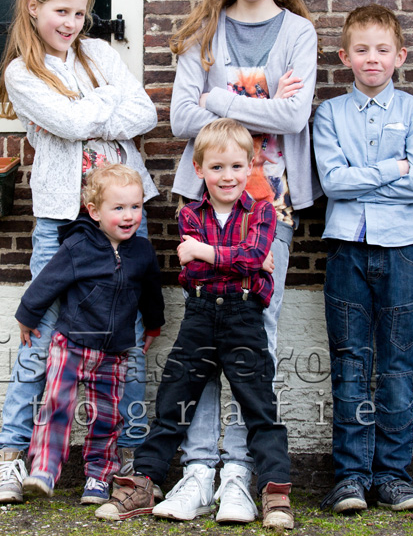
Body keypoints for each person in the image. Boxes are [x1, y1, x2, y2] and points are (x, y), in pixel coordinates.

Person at [163, 0, 319, 524]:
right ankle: (199, 469)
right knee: (202, 339)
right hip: (206, 206)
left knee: (257, 340)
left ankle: (240, 473)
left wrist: (219, 98)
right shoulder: (205, 31)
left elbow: (295, 116)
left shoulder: (298, 33)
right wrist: (264, 103)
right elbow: (180, 118)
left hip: (269, 208)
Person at [0, 0, 160, 505]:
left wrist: (86, 110)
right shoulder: (22, 74)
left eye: (80, 13)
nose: (71, 22)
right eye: (61, 11)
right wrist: (102, 105)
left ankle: (128, 459)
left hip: (123, 218)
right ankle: (10, 457)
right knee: (40, 338)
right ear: (34, 8)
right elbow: (70, 124)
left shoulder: (101, 55)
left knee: (128, 342)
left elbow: (145, 113)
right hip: (63, 222)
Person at [94, 119, 295, 530]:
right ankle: (144, 482)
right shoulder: (189, 214)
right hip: (200, 316)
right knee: (173, 402)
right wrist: (244, 260)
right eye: (217, 167)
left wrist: (208, 252)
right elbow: (201, 270)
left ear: (251, 166)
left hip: (244, 318)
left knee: (259, 406)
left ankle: (274, 492)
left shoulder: (262, 211)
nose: (228, 176)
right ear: (199, 169)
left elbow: (249, 255)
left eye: (236, 166)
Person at [312, 4, 413, 513]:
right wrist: (392, 169)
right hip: (347, 250)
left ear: (399, 56)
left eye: (382, 50)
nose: (372, 59)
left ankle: (393, 476)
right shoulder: (329, 114)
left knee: (398, 366)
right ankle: (351, 477)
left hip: (402, 251)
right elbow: (332, 183)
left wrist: (364, 179)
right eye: (361, 50)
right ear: (345, 57)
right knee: (350, 363)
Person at [17, 164, 164, 503]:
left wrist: (153, 324)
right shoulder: (79, 245)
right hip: (70, 345)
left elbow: (151, 293)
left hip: (114, 353)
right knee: (56, 406)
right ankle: (43, 470)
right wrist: (27, 315)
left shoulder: (142, 252)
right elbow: (48, 282)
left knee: (107, 418)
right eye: (119, 208)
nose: (129, 216)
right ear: (95, 211)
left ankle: (99, 477)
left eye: (135, 207)